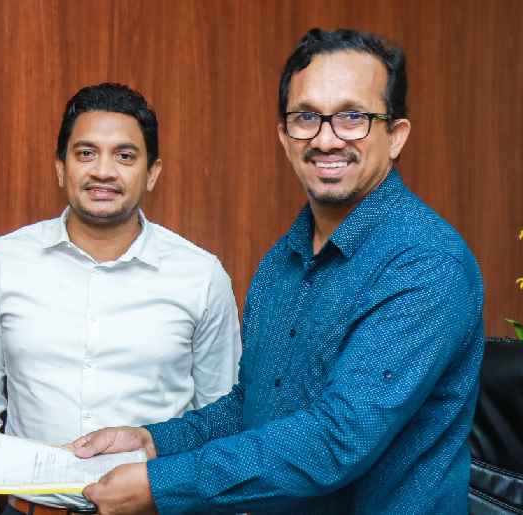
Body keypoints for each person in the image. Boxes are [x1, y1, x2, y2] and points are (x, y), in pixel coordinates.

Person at [70, 28, 485, 515]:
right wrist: (152, 442)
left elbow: (336, 439)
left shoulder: (426, 262)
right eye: (306, 117)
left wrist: (159, 484)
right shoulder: (282, 261)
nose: (326, 139)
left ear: (395, 137)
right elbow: (252, 406)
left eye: (353, 117)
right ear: (285, 137)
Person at [0, 83, 242, 515]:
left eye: (124, 156)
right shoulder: (1, 263)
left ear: (152, 172)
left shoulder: (200, 276)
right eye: (86, 153)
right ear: (60, 167)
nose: (103, 171)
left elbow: (221, 419)